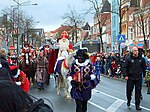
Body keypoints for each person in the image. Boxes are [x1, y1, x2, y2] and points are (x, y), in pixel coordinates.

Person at [123, 46, 146, 110]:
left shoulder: (141, 59)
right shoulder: (128, 59)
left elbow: (144, 68)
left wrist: (144, 75)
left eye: (137, 50)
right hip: (130, 77)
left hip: (138, 78)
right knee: (129, 91)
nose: (136, 52)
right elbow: (124, 67)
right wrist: (125, 75)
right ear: (132, 51)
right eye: (135, 51)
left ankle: (137, 105)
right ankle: (129, 100)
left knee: (138, 92)